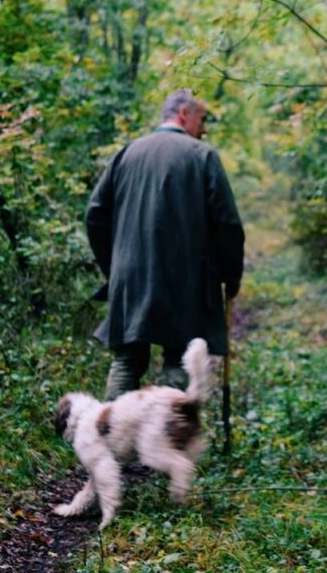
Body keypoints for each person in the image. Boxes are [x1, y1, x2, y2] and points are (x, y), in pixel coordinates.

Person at [86, 89, 244, 400]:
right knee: (179, 359)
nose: (205, 127)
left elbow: (95, 215)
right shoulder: (202, 156)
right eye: (203, 118)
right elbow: (228, 226)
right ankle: (161, 438)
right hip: (185, 280)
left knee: (127, 360)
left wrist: (114, 269)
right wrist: (230, 277)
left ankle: (116, 441)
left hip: (129, 276)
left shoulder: (127, 153)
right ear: (184, 114)